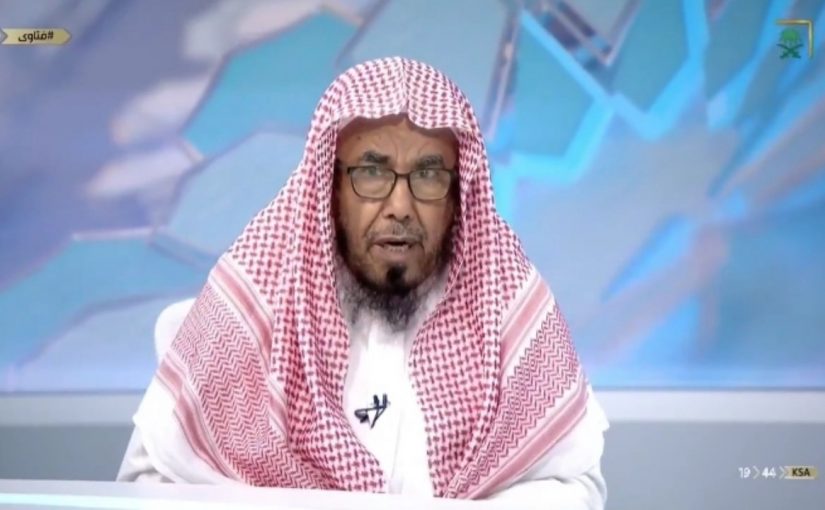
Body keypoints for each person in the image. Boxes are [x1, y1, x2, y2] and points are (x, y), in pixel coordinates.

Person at [118, 57, 609, 508]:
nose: (400, 206)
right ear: (329, 187)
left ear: (458, 196)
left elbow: (574, 483)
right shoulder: (250, 316)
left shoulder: (506, 314)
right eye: (372, 172)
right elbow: (148, 484)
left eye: (429, 174)